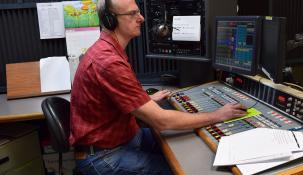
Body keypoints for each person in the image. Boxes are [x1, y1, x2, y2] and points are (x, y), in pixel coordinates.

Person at [69, 0, 247, 174]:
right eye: (133, 13)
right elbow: (162, 122)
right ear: (111, 19)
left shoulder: (109, 49)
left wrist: (143, 100)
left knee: (185, 147)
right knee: (179, 168)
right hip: (104, 155)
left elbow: (115, 97)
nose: (142, 18)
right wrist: (217, 115)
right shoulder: (108, 61)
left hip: (121, 138)